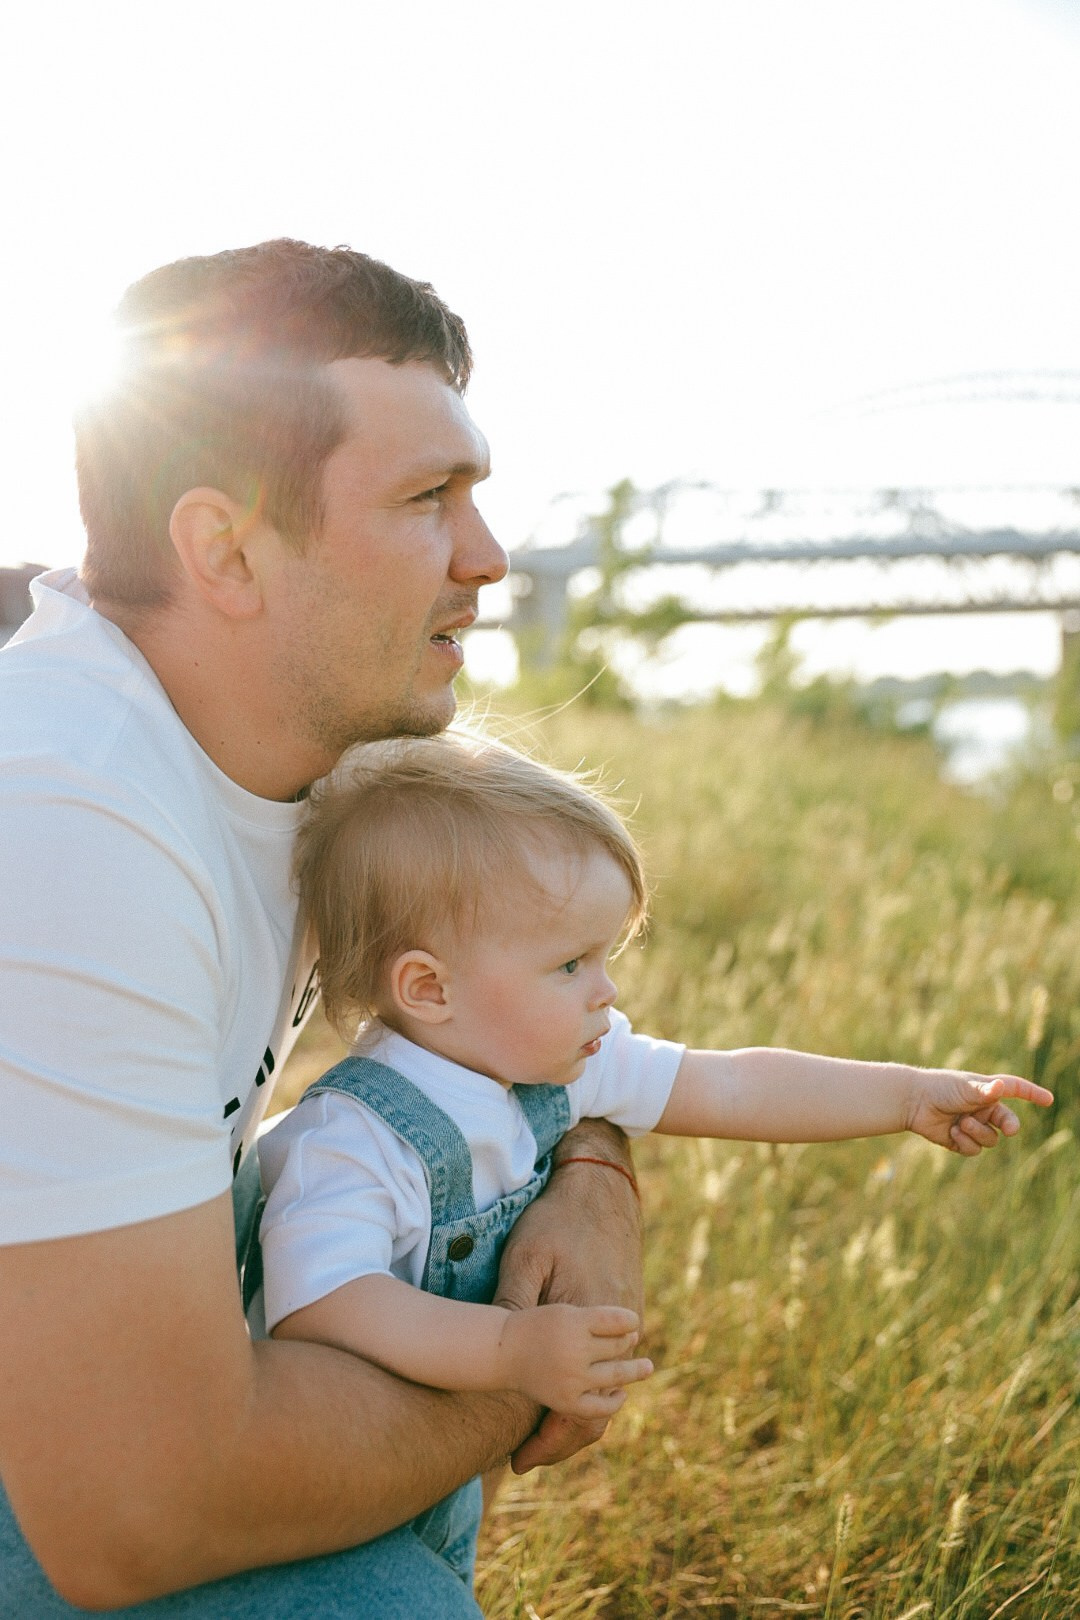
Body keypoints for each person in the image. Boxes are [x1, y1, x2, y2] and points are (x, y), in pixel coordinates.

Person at [0, 241, 647, 1618]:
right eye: (427, 499)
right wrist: (525, 1361)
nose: (489, 556)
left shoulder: (328, 754)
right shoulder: (66, 817)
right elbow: (135, 1512)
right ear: (227, 550)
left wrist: (594, 1173)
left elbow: (535, 1000)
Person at [256, 727, 1053, 1540]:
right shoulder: (352, 1141)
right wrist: (508, 1349)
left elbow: (731, 1084)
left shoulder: (547, 1063)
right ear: (429, 988)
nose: (605, 990)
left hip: (447, 1471)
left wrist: (907, 1095)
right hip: (336, 1488)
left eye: (605, 956)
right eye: (570, 964)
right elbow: (324, 1303)